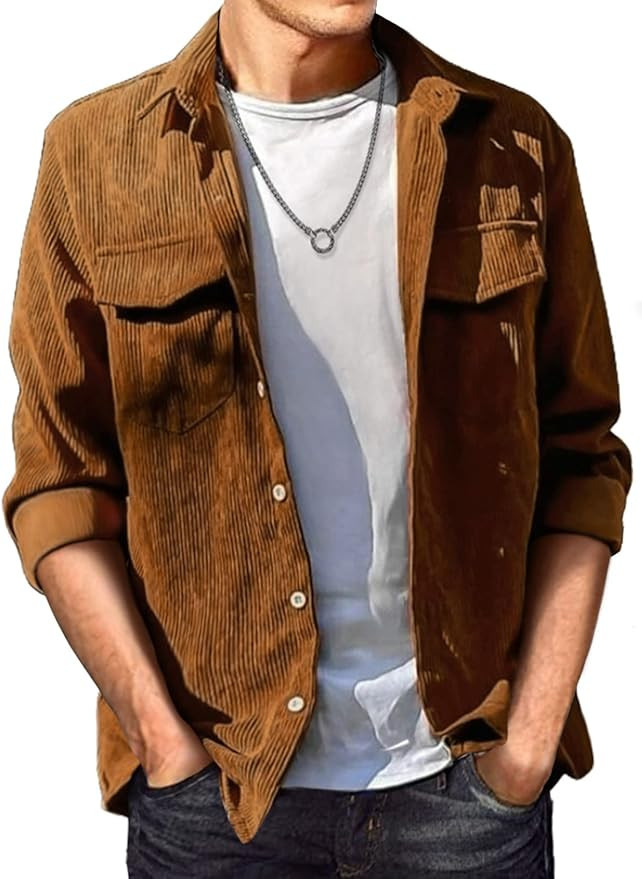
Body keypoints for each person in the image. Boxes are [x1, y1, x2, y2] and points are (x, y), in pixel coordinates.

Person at [2, 1, 632, 876]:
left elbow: (582, 456)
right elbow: (61, 480)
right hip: (219, 804)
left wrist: (525, 747)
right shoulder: (95, 156)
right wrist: (161, 740)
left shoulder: (512, 148)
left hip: (468, 794)